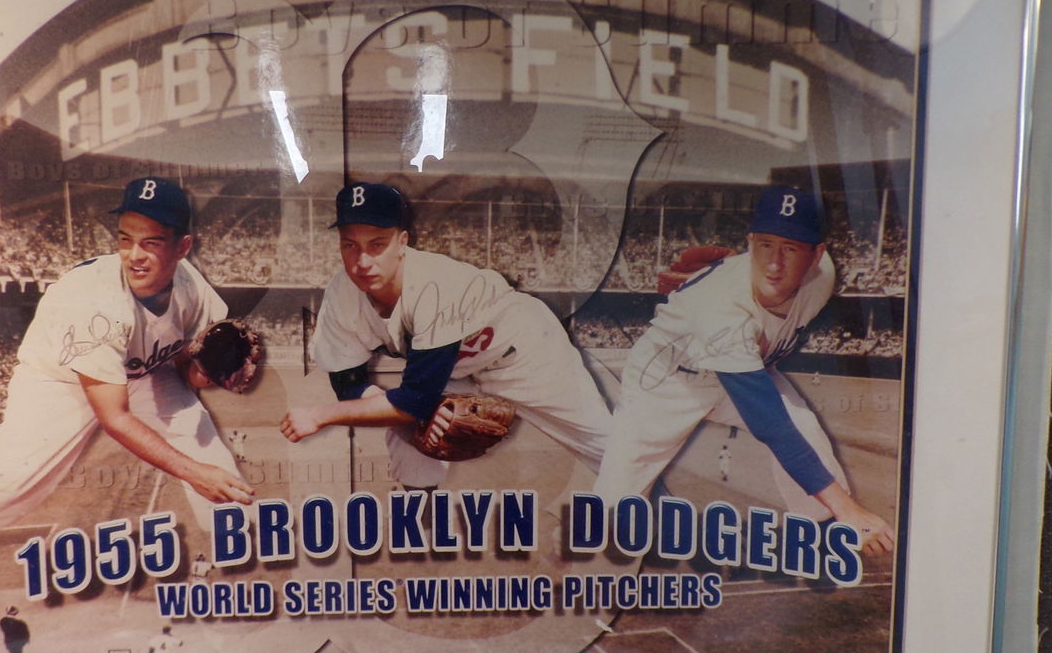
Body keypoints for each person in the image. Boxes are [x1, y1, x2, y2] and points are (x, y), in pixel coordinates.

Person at [593, 184, 895, 557]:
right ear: (751, 242)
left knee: (806, 430)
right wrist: (850, 507)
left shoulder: (822, 277)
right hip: (668, 382)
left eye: (791, 248)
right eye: (766, 244)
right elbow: (771, 424)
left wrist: (842, 512)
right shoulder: (722, 308)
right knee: (612, 509)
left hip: (741, 366)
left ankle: (824, 532)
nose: (775, 264)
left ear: (817, 254)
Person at [280, 182, 611, 485]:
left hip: (522, 350)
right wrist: (400, 415)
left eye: (377, 244)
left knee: (610, 452)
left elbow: (415, 401)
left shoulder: (433, 283)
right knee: (405, 437)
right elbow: (347, 381)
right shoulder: (341, 295)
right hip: (454, 369)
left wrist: (319, 415)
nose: (362, 261)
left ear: (402, 242)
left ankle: (637, 516)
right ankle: (418, 521)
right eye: (350, 245)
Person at [0, 176, 254, 533]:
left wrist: (208, 372)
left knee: (201, 441)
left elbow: (187, 364)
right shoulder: (95, 301)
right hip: (59, 382)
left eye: (151, 243)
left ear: (182, 247)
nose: (134, 255)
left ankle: (240, 538)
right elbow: (115, 417)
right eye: (125, 240)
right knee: (11, 488)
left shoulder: (191, 288)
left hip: (142, 371)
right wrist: (193, 473)